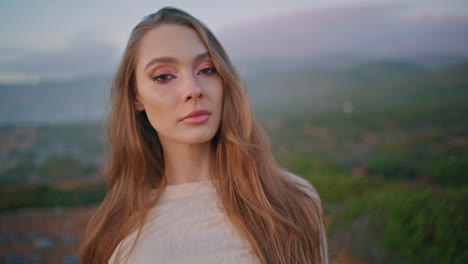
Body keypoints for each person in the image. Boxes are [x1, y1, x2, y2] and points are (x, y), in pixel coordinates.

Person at [79, 6, 328, 264]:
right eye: (164, 76)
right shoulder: (115, 231)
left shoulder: (294, 201)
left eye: (207, 69)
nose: (193, 89)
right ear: (136, 97)